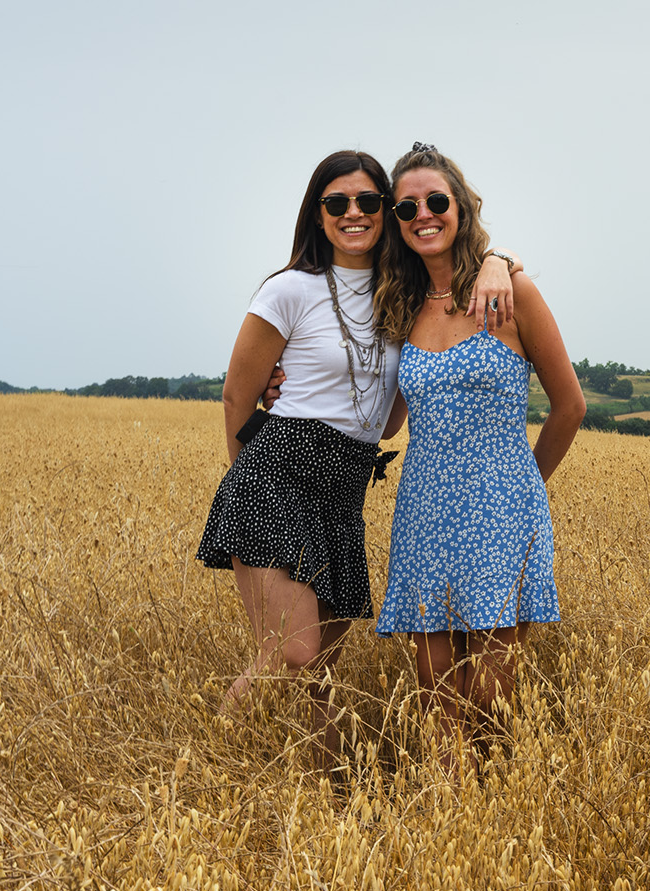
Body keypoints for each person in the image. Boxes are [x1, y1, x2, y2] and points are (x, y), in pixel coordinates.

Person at [196, 149, 521, 780]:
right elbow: (238, 395)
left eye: (370, 202)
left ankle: (318, 794)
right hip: (277, 472)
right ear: (316, 215)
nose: (355, 213)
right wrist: (251, 484)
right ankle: (201, 771)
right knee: (291, 651)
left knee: (319, 671)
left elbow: (393, 412)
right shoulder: (289, 290)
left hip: (346, 483)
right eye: (337, 203)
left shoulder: (398, 295)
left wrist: (495, 260)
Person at [373, 143, 586, 773]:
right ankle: (448, 829)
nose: (423, 214)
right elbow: (384, 420)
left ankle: (494, 825)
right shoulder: (399, 306)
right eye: (407, 206)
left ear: (461, 209)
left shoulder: (509, 290)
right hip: (423, 515)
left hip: (502, 512)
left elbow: (569, 406)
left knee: (492, 695)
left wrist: (523, 488)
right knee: (435, 693)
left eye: (437, 201)